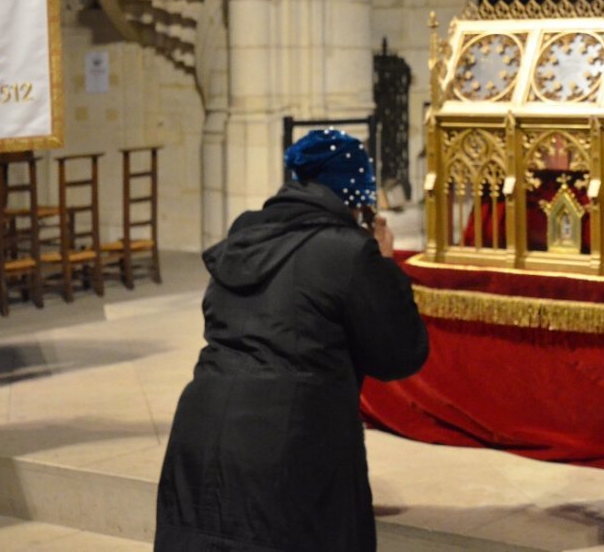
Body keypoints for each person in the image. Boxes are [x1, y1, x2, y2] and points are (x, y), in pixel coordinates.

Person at [155, 129, 429, 551]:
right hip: (291, 444)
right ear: (355, 198)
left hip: (200, 434)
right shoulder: (349, 252)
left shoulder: (243, 236)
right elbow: (399, 354)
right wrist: (386, 266)